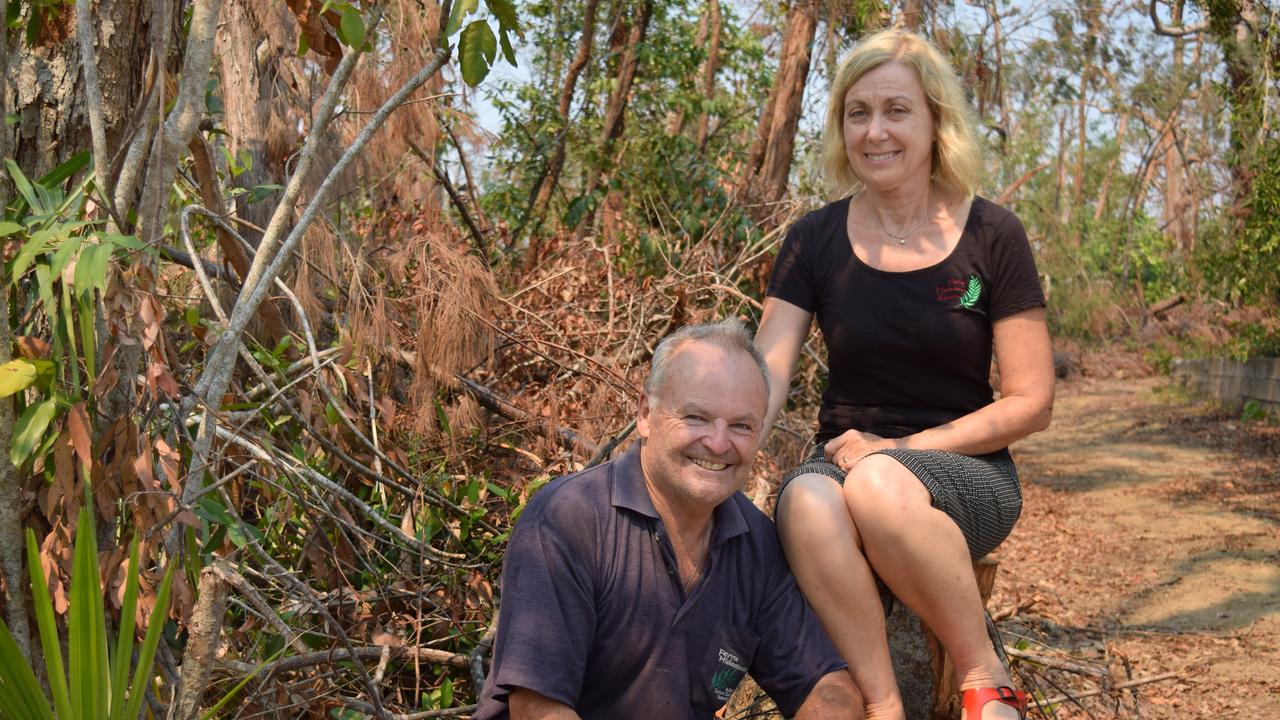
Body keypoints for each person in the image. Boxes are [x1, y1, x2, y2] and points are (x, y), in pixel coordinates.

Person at [754, 30, 1055, 720]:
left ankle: (984, 675)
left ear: (935, 121)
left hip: (967, 471)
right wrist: (716, 442)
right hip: (840, 459)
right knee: (805, 502)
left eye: (896, 110)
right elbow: (768, 372)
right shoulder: (813, 239)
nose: (875, 131)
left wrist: (901, 451)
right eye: (857, 113)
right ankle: (885, 706)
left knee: (881, 482)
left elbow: (1032, 403)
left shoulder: (992, 235)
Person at [473, 320, 862, 720]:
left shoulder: (756, 543)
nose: (718, 442)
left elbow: (828, 687)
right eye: (696, 417)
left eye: (741, 426)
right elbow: (538, 708)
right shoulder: (569, 519)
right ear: (645, 414)